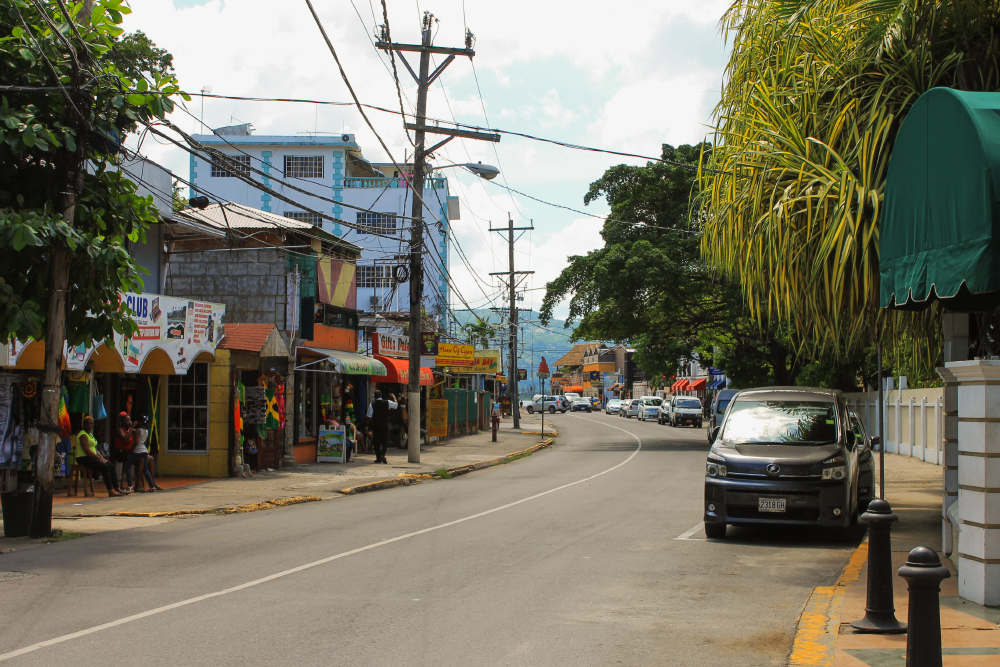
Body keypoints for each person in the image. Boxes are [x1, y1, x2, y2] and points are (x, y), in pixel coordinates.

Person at [75, 416, 126, 497]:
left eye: (92, 424)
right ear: (84, 425)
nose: (90, 426)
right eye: (88, 424)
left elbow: (94, 449)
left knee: (111, 466)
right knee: (105, 467)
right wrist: (98, 458)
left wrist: (101, 457)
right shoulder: (83, 435)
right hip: (83, 458)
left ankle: (117, 488)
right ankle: (110, 490)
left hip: (92, 456)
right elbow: (87, 450)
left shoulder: (90, 434)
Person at [128, 416, 162, 491]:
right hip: (144, 450)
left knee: (127, 466)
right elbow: (145, 442)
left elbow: (136, 442)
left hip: (137, 451)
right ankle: (152, 486)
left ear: (140, 422)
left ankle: (130, 485)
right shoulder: (146, 431)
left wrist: (131, 450)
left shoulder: (138, 430)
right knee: (145, 469)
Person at [366, 391, 397, 464]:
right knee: (384, 441)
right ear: (381, 395)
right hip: (385, 425)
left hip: (376, 425)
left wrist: (367, 425)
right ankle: (383, 454)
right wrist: (394, 398)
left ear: (375, 396)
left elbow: (369, 417)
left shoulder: (372, 405)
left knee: (376, 441)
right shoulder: (387, 402)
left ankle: (378, 457)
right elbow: (396, 405)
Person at [113, 412, 136, 492]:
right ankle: (130, 484)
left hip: (128, 452)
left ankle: (140, 484)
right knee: (128, 461)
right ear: (122, 422)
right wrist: (132, 428)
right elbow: (125, 438)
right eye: (127, 421)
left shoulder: (130, 430)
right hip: (120, 452)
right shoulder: (120, 430)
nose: (130, 422)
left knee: (141, 458)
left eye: (130, 420)